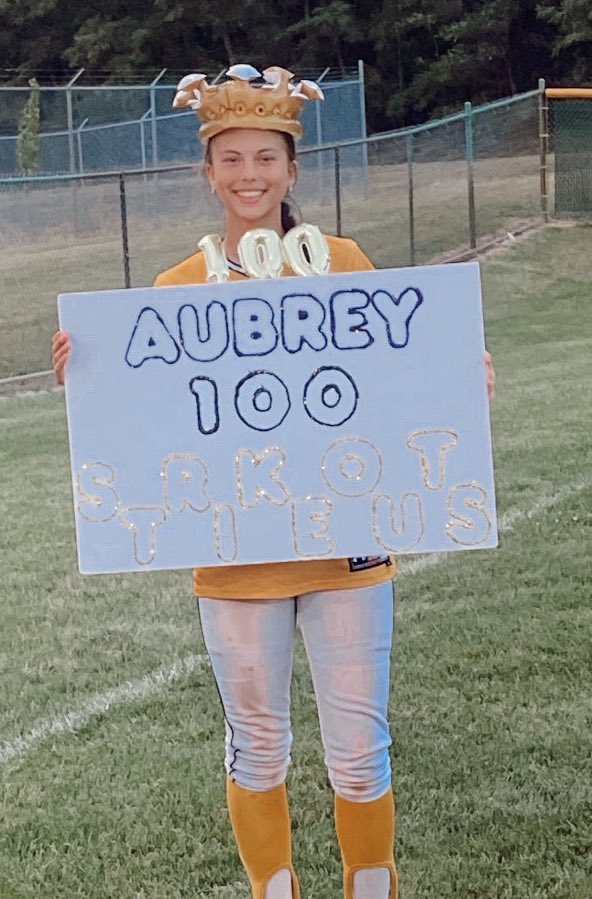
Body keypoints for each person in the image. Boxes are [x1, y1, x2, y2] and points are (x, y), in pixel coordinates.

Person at [53, 64, 495, 899]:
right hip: (234, 559)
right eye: (231, 158)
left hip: (347, 550)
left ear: (293, 168)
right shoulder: (175, 292)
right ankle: (275, 891)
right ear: (208, 171)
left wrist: (457, 384)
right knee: (256, 742)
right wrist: (90, 373)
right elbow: (147, 422)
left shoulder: (343, 263)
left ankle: (372, 888)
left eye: (266, 157)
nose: (249, 175)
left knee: (359, 751)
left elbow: (400, 378)